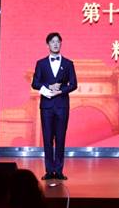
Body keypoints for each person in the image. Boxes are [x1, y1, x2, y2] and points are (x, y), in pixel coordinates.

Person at [31, 32, 77, 181]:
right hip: (47, 106)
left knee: (60, 138)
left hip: (62, 105)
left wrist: (61, 90)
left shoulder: (68, 63)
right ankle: (49, 171)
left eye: (58, 41)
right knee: (47, 138)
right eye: (52, 42)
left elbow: (74, 84)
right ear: (48, 45)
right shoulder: (41, 63)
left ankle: (59, 170)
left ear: (61, 44)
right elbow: (35, 83)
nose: (55, 44)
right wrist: (48, 86)